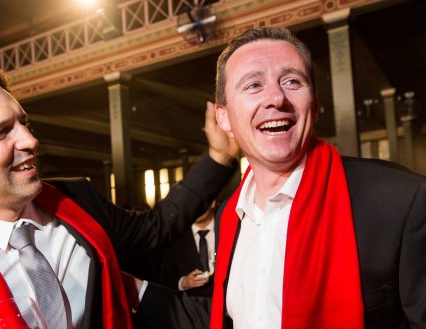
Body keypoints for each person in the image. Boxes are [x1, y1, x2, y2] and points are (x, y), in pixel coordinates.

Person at [0, 62, 239, 329]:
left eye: (22, 122)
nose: (29, 141)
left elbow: (154, 231)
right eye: (1, 133)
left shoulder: (76, 201)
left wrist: (218, 158)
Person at [138, 26, 426, 329]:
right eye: (253, 85)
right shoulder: (229, 216)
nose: (276, 97)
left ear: (313, 107)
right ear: (224, 118)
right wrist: (130, 288)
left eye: (292, 81)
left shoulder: (400, 202)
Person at [159, 200, 217, 298]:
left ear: (212, 203)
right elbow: (165, 278)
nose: (195, 209)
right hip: (192, 305)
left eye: (199, 203)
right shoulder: (175, 238)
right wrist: (183, 282)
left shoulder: (227, 229)